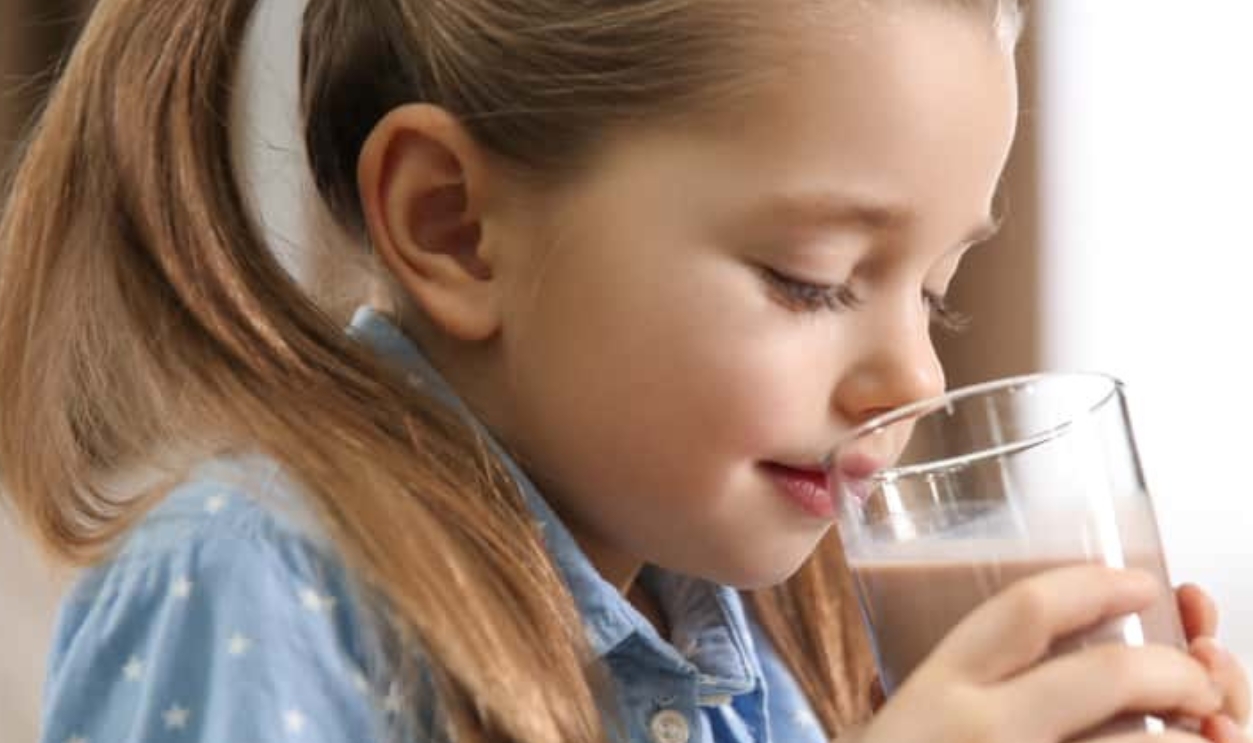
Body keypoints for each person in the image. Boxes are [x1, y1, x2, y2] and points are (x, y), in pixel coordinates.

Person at [0, 1, 1247, 742]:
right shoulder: (248, 580)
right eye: (811, 277)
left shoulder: (749, 639)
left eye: (933, 293)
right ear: (451, 225)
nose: (909, 374)